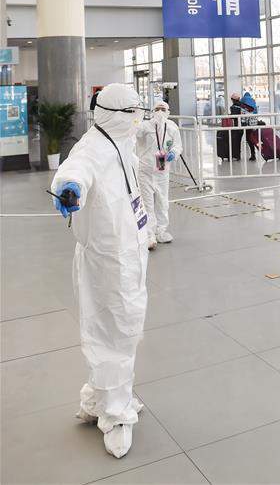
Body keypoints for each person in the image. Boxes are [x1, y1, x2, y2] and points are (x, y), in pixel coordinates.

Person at [49, 82, 148, 459]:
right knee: (114, 330)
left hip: (131, 252)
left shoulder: (120, 141)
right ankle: (116, 414)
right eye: (134, 112)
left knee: (126, 330)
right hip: (107, 259)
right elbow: (76, 170)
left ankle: (100, 396)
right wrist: (69, 187)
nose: (139, 119)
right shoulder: (92, 147)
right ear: (116, 115)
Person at [136, 100, 182, 248]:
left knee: (162, 202)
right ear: (152, 111)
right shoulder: (145, 126)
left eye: (163, 109)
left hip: (162, 170)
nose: (160, 112)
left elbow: (177, 145)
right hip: (145, 170)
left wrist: (173, 153)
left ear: (168, 112)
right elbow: (133, 133)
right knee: (147, 203)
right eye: (157, 109)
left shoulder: (172, 127)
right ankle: (149, 235)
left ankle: (160, 231)